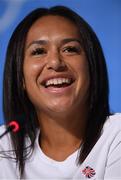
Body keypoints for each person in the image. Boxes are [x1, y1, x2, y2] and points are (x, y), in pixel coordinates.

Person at [0, 5, 121, 179]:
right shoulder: (4, 147)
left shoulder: (116, 134)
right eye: (39, 51)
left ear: (92, 67)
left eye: (70, 49)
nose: (55, 63)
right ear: (20, 78)